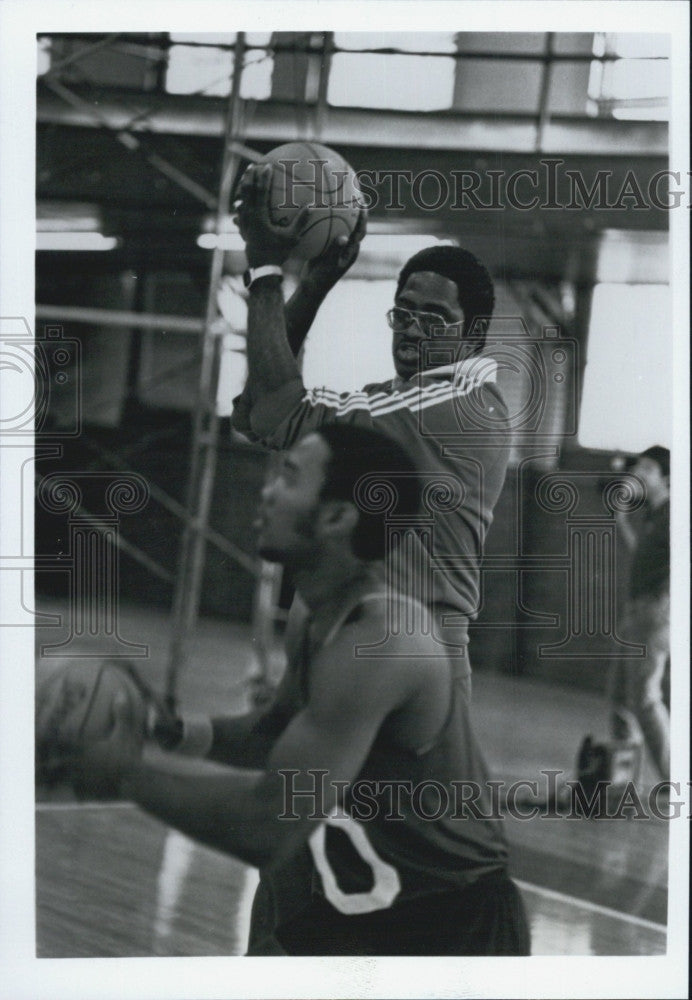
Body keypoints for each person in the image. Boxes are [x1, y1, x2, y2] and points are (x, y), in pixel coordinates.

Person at [74, 423, 530, 956]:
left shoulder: (383, 641)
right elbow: (273, 732)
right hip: (365, 899)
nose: (266, 492)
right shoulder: (316, 611)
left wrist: (124, 773)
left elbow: (269, 824)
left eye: (288, 478)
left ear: (338, 515)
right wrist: (170, 732)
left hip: (450, 922)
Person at [232, 162, 512, 701]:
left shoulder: (452, 406)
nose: (411, 328)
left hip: (414, 647)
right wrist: (314, 284)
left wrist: (267, 270)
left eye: (433, 319)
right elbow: (260, 414)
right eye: (404, 312)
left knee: (403, 789)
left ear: (473, 334)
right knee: (297, 772)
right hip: (360, 634)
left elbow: (274, 413)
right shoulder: (403, 396)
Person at [609, 445, 670, 781]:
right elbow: (641, 559)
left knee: (644, 699)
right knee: (620, 696)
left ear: (667, 478)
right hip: (639, 611)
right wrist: (621, 521)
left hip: (656, 611)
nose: (638, 474)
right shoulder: (654, 516)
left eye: (647, 468)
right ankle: (622, 780)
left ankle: (676, 779)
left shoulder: (675, 514)